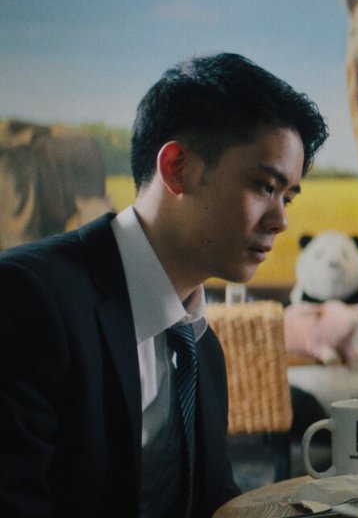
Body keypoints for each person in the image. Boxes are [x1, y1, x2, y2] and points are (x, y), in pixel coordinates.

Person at [0, 53, 329, 517]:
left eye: (287, 197)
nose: (280, 221)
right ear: (177, 167)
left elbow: (216, 506)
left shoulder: (202, 349)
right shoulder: (27, 298)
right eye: (264, 186)